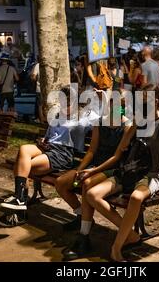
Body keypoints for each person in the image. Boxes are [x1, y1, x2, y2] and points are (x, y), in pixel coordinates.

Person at [64, 86, 159, 261]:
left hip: (150, 175)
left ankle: (116, 247)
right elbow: (123, 147)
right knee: (92, 194)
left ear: (155, 102)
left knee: (136, 198)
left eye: (144, 101)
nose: (140, 105)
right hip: (128, 172)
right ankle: (131, 235)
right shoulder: (138, 124)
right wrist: (134, 125)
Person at [0, 87, 88, 227]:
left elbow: (111, 117)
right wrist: (42, 141)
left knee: (23, 167)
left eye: (68, 103)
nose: (64, 106)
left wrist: (118, 107)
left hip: (63, 154)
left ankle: (20, 207)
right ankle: (20, 199)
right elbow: (50, 136)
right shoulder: (56, 115)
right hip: (48, 148)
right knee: (24, 149)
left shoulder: (83, 119)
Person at [55, 96, 134, 232]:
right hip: (94, 165)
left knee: (87, 183)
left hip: (111, 168)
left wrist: (93, 171)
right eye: (112, 103)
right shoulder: (99, 123)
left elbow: (116, 157)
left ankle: (84, 232)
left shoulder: (127, 126)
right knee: (60, 182)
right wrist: (79, 169)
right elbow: (92, 150)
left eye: (120, 105)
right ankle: (81, 214)